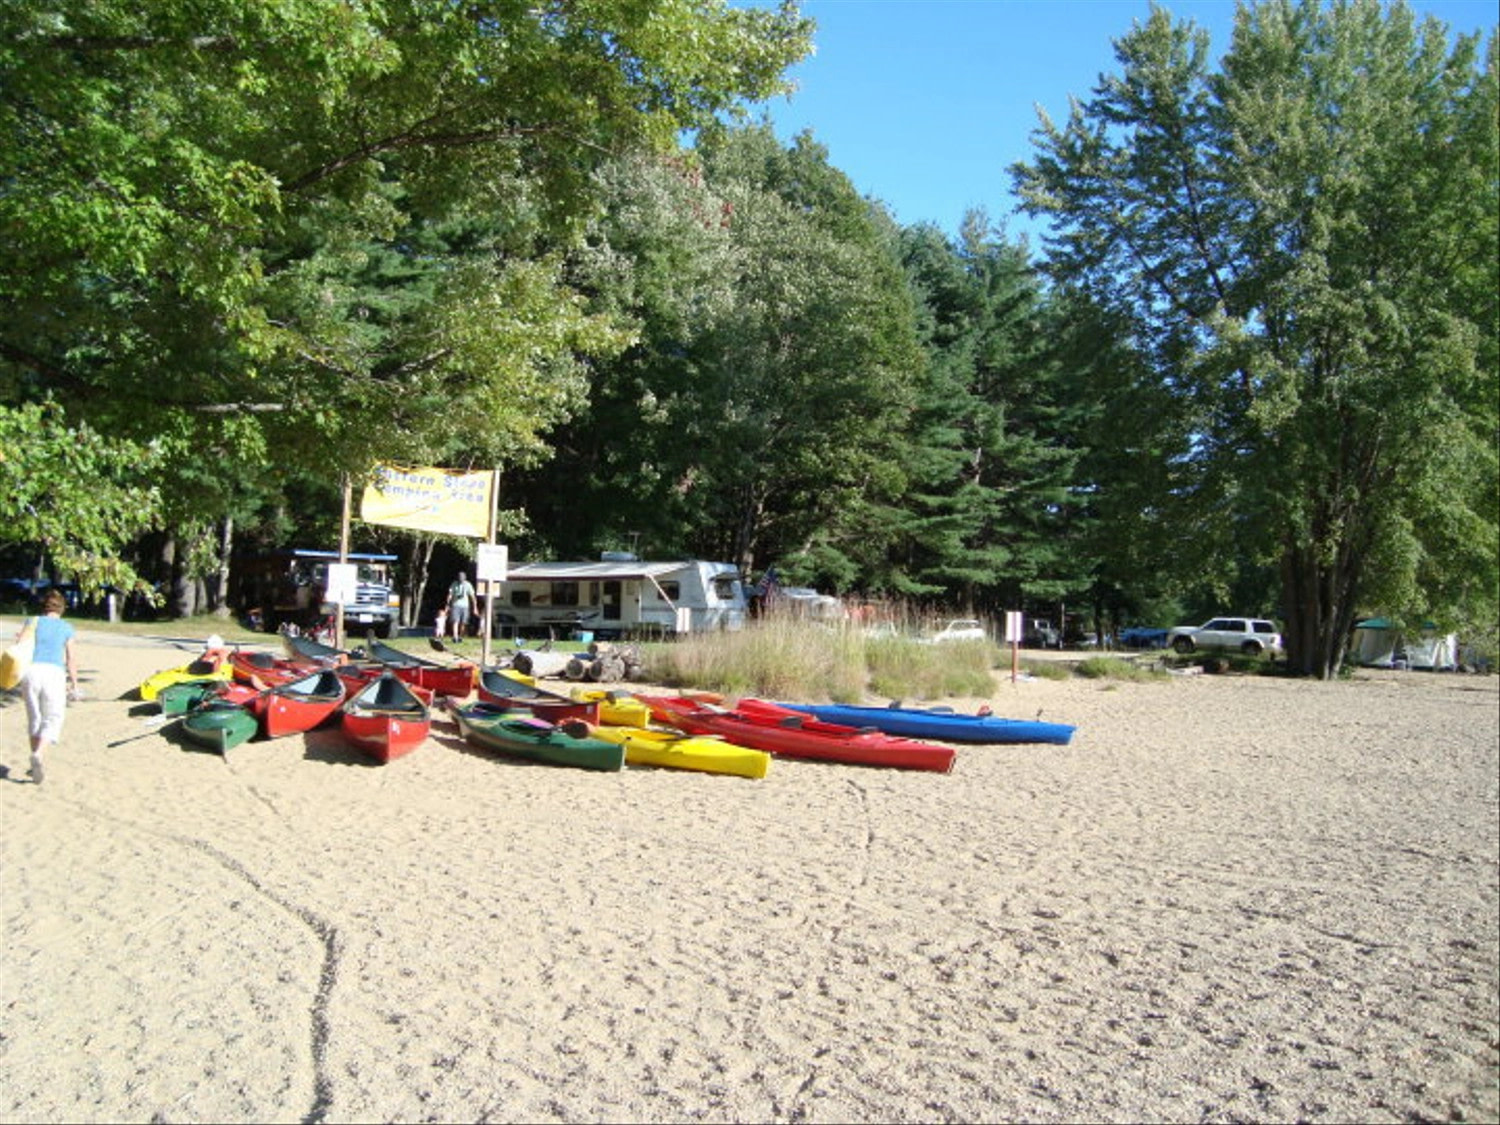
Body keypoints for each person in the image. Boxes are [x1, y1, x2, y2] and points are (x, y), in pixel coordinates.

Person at [16, 588, 79, 785]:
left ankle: (35, 756)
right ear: (62, 608)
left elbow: (20, 645)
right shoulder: (66, 628)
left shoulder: (32, 622)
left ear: (44, 606)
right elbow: (71, 658)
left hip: (31, 672)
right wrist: (74, 683)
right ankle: (38, 754)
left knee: (35, 717)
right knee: (53, 717)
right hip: (53, 673)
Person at [445, 571, 477, 642]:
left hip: (465, 606)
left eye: (462, 578)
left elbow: (472, 596)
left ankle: (460, 636)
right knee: (455, 621)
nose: (461, 579)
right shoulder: (454, 584)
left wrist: (475, 607)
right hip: (455, 604)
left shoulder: (468, 585)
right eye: (460, 578)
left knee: (463, 622)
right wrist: (448, 603)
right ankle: (455, 636)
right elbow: (450, 594)